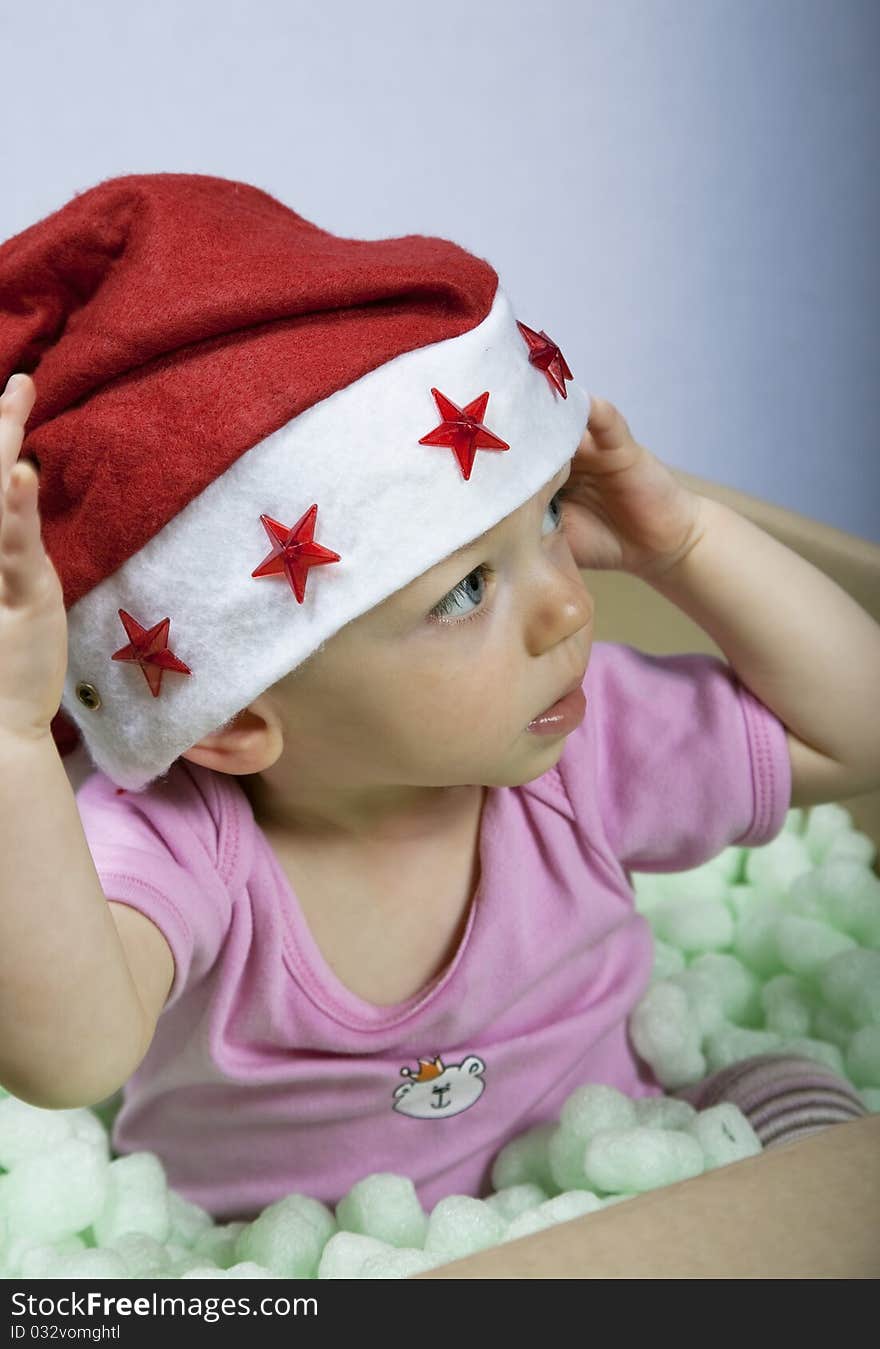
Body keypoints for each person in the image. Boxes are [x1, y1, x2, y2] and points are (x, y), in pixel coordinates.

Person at [0, 174, 875, 1224]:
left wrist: (685, 541)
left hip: (617, 1189)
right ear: (233, 719)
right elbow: (69, 1054)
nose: (566, 606)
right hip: (297, 1256)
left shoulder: (575, 745)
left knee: (792, 1111)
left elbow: (858, 733)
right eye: (464, 588)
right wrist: (14, 741)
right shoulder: (181, 841)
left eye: (546, 517)